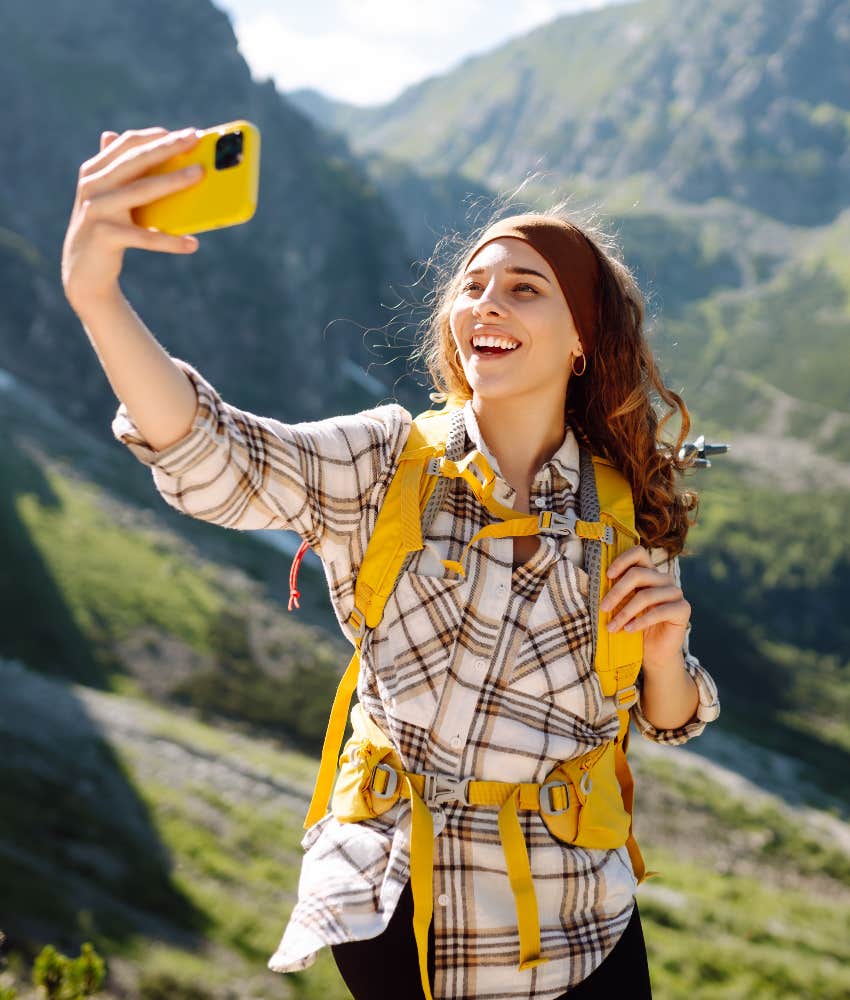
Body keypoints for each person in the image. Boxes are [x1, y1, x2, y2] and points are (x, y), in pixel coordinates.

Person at [62, 126, 720, 1000]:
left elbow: (668, 719)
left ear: (582, 342)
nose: (486, 304)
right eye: (473, 287)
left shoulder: (628, 506)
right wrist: (96, 296)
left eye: (524, 290)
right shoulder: (386, 461)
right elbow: (220, 458)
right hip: (399, 905)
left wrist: (668, 657)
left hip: (582, 916)